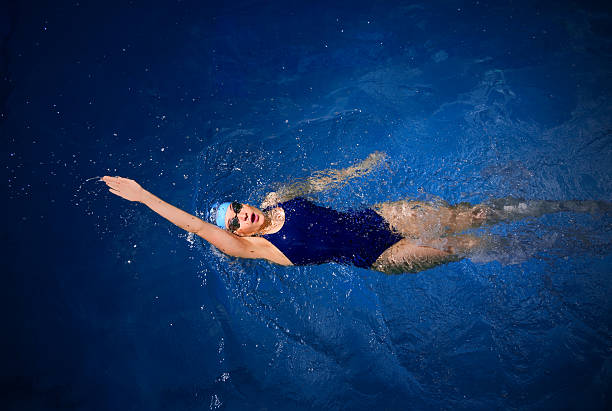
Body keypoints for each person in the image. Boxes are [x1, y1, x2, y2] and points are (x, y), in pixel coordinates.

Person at [100, 152, 607, 273]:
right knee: (464, 246)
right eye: (230, 223)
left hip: (380, 217)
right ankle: (573, 244)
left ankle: (576, 206)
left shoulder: (277, 197)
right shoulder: (251, 248)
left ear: (245, 202)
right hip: (383, 255)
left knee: (469, 214)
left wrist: (359, 168)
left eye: (237, 209)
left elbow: (319, 183)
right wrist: (144, 195)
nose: (239, 218)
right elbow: (192, 224)